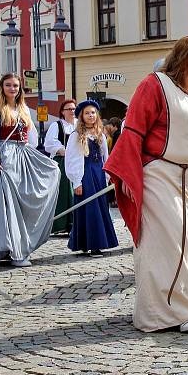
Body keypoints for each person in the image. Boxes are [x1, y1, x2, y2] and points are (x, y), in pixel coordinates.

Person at [104, 36, 188, 333]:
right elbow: (133, 132)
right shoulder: (154, 85)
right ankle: (170, 313)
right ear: (186, 58)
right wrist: (129, 175)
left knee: (186, 240)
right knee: (170, 242)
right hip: (160, 176)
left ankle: (177, 309)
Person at [0, 74, 60, 267]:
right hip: (6, 156)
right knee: (8, 204)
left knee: (51, 172)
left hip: (23, 153)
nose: (12, 88)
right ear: (2, 87)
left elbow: (31, 137)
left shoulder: (23, 108)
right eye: (8, 85)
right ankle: (12, 250)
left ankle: (20, 246)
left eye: (15, 85)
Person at [65, 100, 118, 257]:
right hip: (85, 174)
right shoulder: (76, 135)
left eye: (93, 112)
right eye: (87, 113)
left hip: (98, 174)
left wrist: (107, 175)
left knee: (100, 207)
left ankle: (97, 242)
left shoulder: (100, 134)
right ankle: (89, 244)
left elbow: (105, 157)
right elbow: (72, 159)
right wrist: (77, 181)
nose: (90, 115)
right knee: (89, 208)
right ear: (82, 116)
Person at [44, 99, 76, 234]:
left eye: (74, 109)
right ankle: (62, 224)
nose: (72, 111)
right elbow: (49, 143)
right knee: (65, 192)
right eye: (69, 109)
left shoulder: (79, 125)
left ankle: (75, 223)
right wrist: (63, 150)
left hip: (77, 162)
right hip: (62, 162)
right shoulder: (57, 125)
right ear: (62, 112)